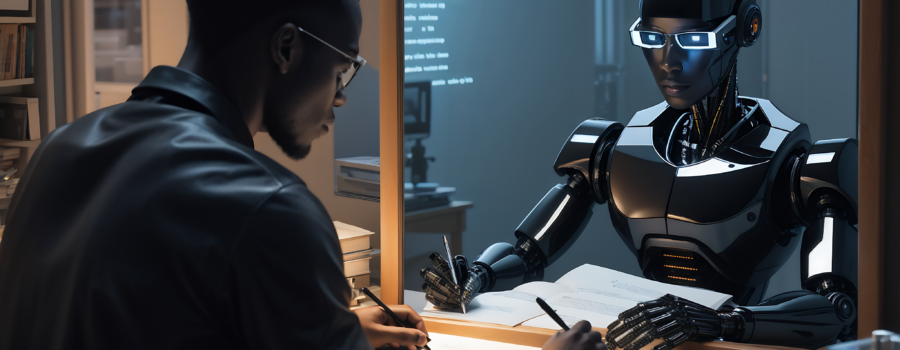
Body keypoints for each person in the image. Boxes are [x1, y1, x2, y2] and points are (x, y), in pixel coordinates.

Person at [0, 0, 605, 349]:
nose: (339, 101)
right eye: (343, 70)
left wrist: (326, 331)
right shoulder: (268, 206)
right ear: (287, 48)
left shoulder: (59, 149)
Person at [421, 0, 858, 348]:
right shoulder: (616, 147)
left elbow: (835, 307)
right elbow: (529, 252)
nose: (669, 60)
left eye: (694, 39)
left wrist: (722, 323)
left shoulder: (796, 163)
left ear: (743, 31)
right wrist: (476, 277)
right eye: (652, 38)